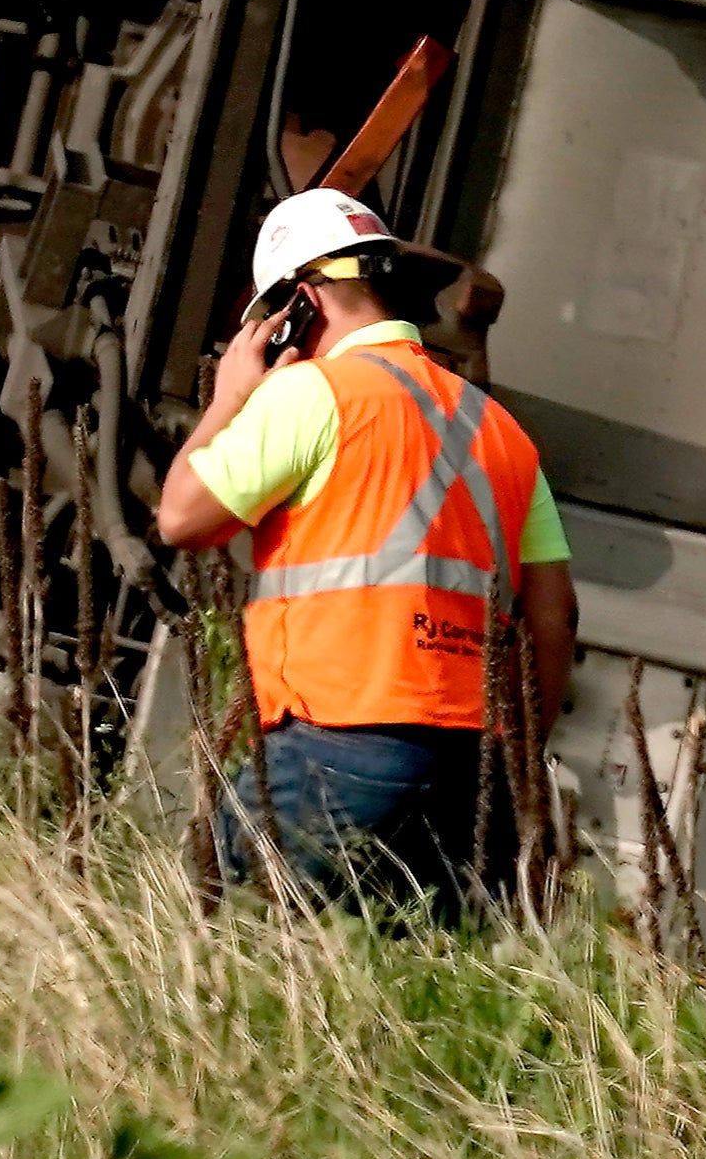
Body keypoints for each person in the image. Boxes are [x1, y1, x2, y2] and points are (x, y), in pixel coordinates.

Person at [150, 189, 575, 912]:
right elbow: (553, 618)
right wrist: (515, 762)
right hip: (471, 768)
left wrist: (228, 398)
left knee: (226, 941)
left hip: (335, 741)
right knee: (395, 998)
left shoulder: (312, 395)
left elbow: (180, 518)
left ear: (299, 305)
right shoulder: (502, 430)